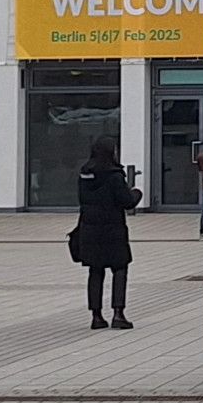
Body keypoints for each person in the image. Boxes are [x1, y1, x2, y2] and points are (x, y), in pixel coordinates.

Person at [74, 138, 141, 330]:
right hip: (112, 230)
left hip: (90, 229)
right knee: (120, 269)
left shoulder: (85, 174)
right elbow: (126, 201)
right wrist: (137, 193)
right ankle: (118, 314)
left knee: (95, 271)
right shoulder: (114, 175)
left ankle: (96, 316)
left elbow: (82, 199)